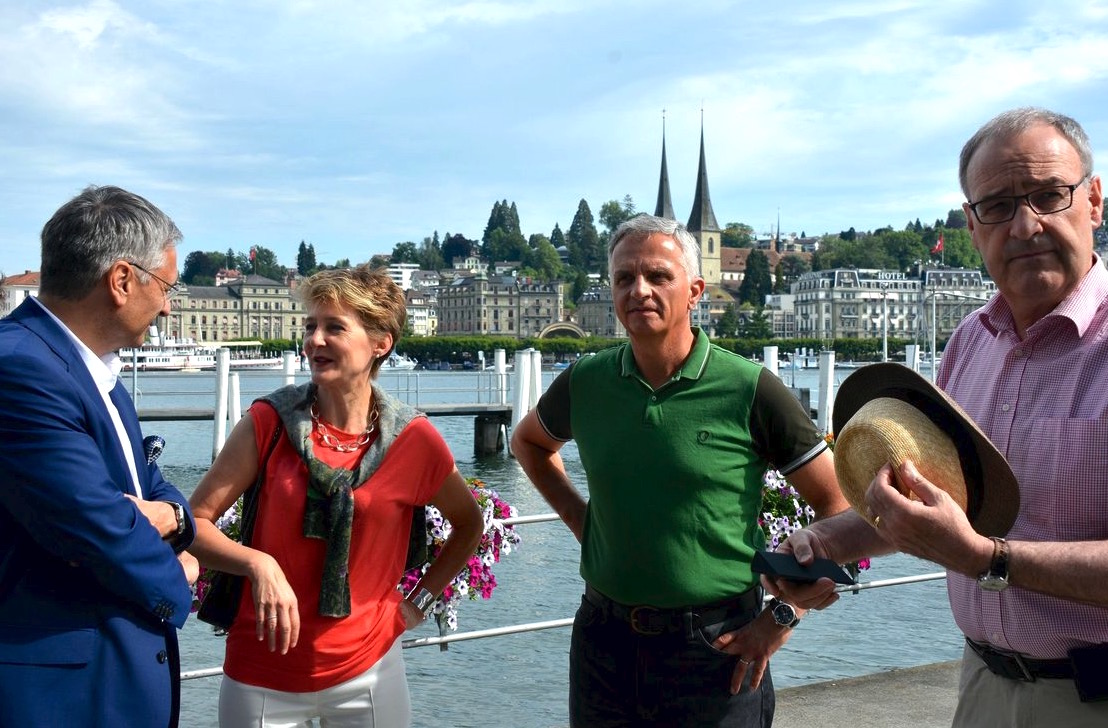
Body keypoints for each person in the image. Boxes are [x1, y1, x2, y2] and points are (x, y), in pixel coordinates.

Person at [771, 107, 1108, 726]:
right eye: (997, 205)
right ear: (971, 224)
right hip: (986, 686)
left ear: (1095, 202)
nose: (1025, 225)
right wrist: (826, 541)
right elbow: (944, 511)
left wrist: (988, 559)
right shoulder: (970, 341)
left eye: (1049, 195)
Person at [511, 213, 849, 727]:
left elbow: (838, 504)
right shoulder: (587, 381)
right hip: (604, 643)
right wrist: (585, 524)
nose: (638, 290)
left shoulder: (750, 388)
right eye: (624, 278)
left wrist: (782, 617)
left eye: (657, 276)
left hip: (718, 647)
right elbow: (529, 443)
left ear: (695, 291)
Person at [188, 267, 483, 728]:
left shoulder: (414, 439)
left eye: (334, 328)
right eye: (310, 327)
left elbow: (469, 525)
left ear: (380, 343)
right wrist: (257, 564)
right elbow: (195, 524)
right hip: (263, 674)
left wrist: (418, 604)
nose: (314, 340)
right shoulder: (267, 424)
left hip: (370, 672)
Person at [0, 185, 199, 728]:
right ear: (121, 280)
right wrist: (174, 572)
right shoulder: (20, 368)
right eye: (165, 287)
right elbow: (94, 524)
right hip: (58, 695)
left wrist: (176, 518)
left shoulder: (91, 370)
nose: (167, 304)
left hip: (109, 682)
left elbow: (152, 486)